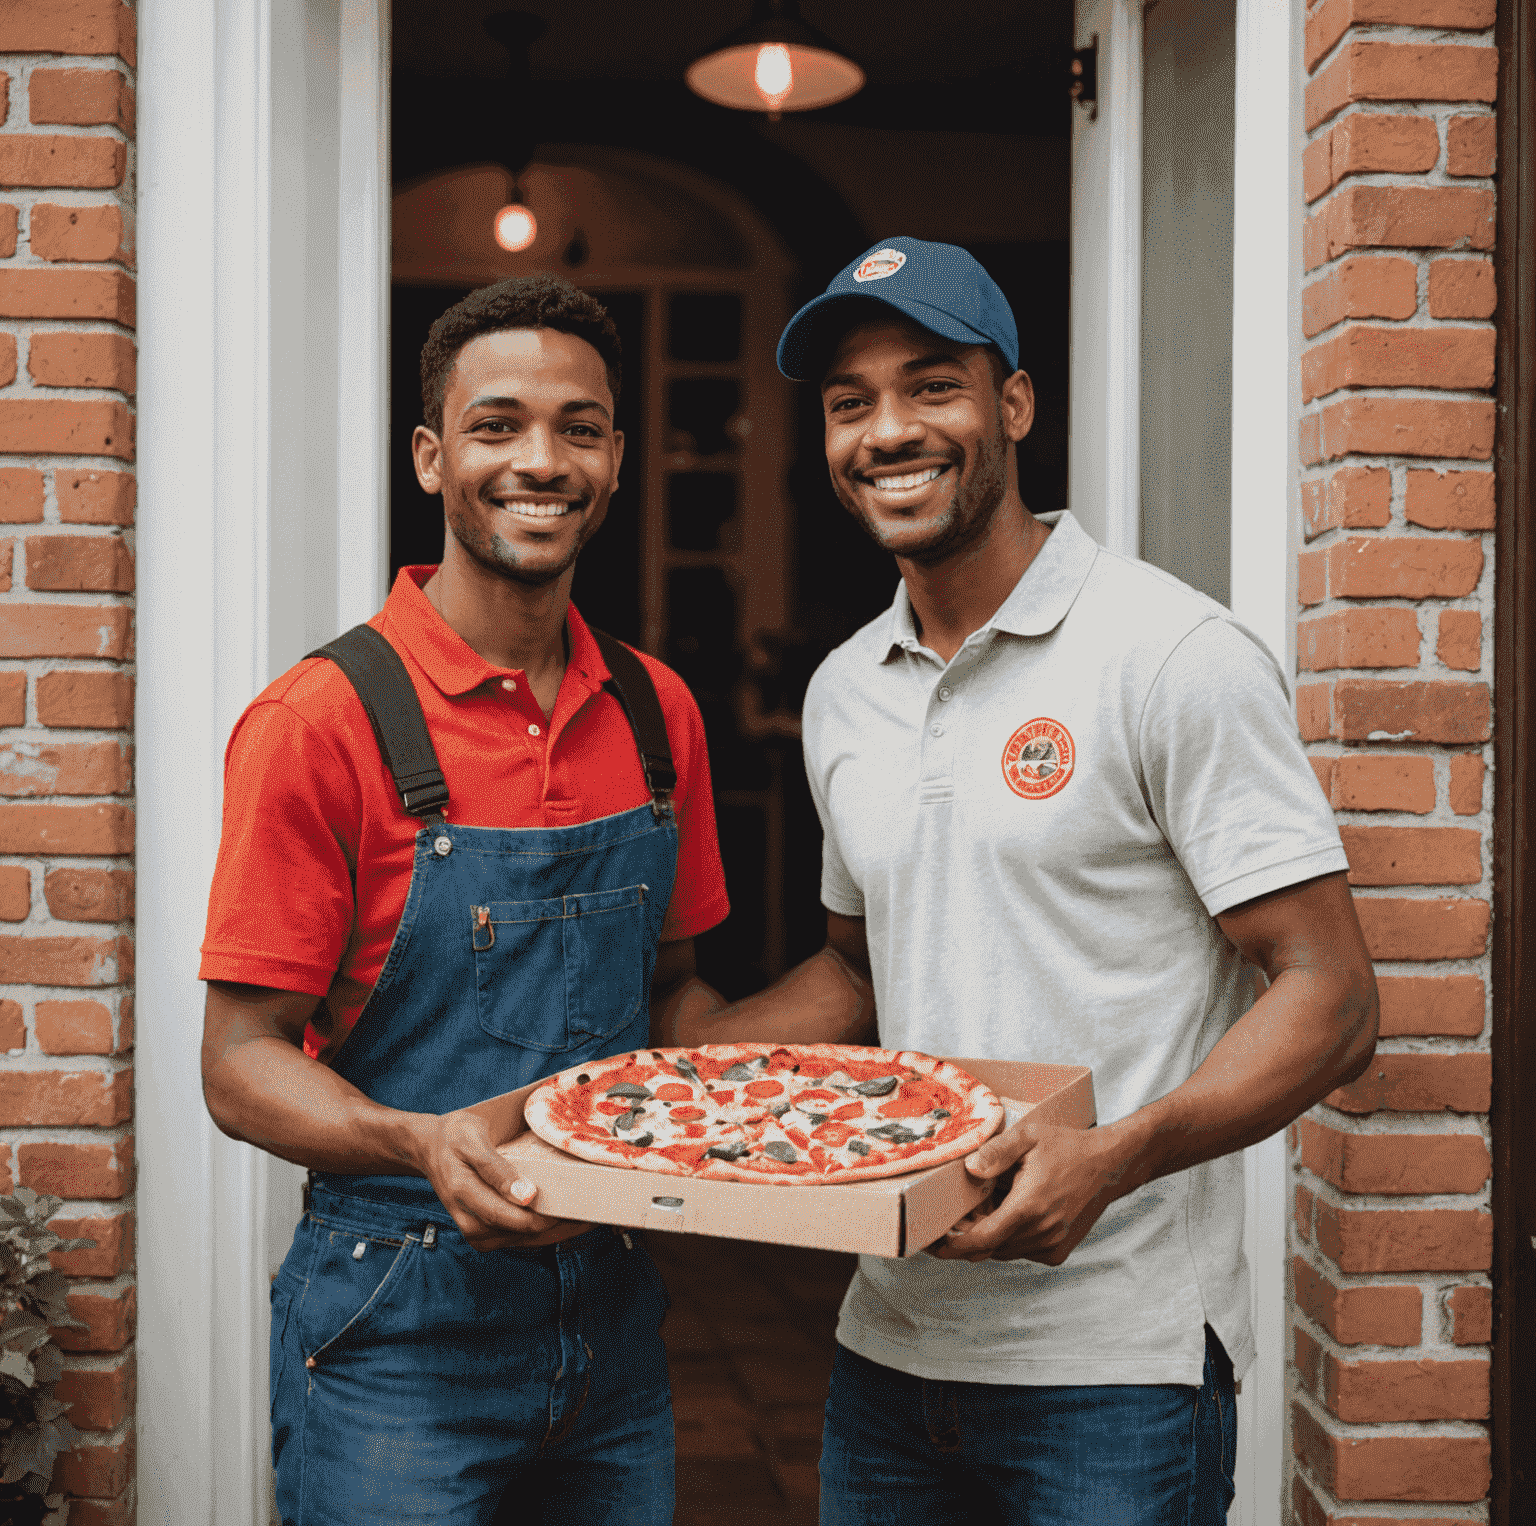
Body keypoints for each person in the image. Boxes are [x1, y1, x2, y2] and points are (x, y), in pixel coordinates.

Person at [664, 238, 1379, 1525]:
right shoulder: (843, 690)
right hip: (888, 1349)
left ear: (1014, 405)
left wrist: (1112, 1157)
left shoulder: (1171, 653)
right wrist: (676, 1073)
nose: (888, 431)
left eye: (931, 385)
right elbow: (856, 968)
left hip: (1118, 1370)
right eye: (849, 403)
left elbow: (1329, 995)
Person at [199, 275, 730, 1526]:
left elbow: (675, 1002)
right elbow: (239, 1064)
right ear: (433, 458)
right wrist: (420, 1142)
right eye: (497, 426)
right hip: (396, 1322)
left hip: (610, 1319)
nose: (539, 460)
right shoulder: (319, 722)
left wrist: (856, 1006)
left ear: (616, 459)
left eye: (579, 427)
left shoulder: (661, 714)